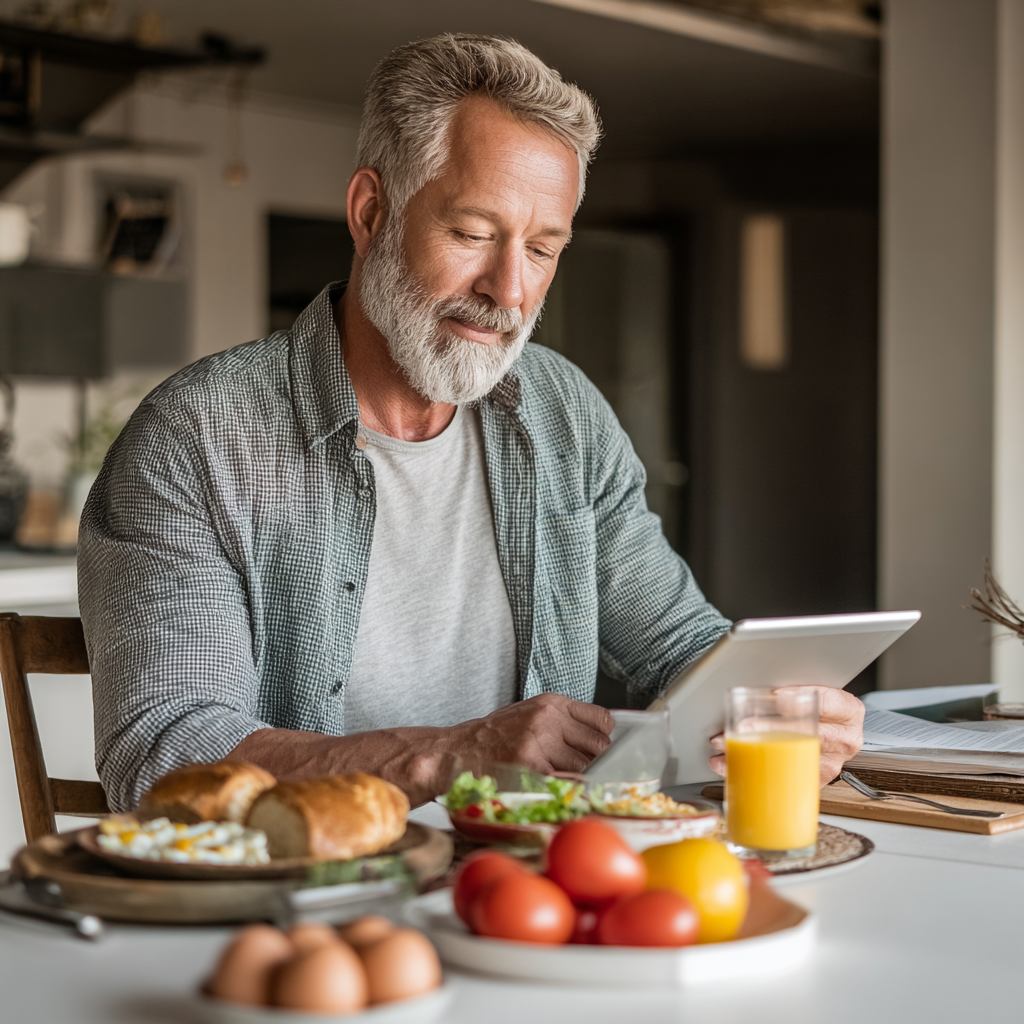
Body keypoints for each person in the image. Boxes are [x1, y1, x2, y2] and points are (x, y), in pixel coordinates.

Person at [79, 34, 863, 812]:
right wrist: (446, 756)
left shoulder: (566, 414)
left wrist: (778, 709)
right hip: (303, 897)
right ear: (370, 211)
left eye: (543, 249)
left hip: (538, 886)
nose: (509, 289)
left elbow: (679, 646)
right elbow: (165, 753)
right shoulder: (197, 437)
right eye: (474, 234)